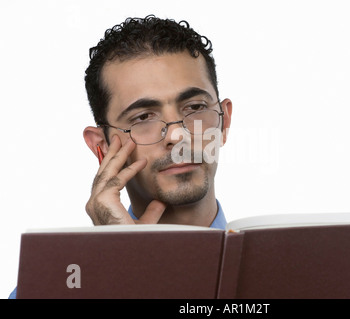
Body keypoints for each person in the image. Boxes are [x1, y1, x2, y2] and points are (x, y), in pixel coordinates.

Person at [9, 14, 232, 299]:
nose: (178, 136)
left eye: (194, 107)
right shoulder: (46, 291)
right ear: (101, 147)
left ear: (224, 122)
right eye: (143, 117)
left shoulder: (293, 270)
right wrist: (116, 265)